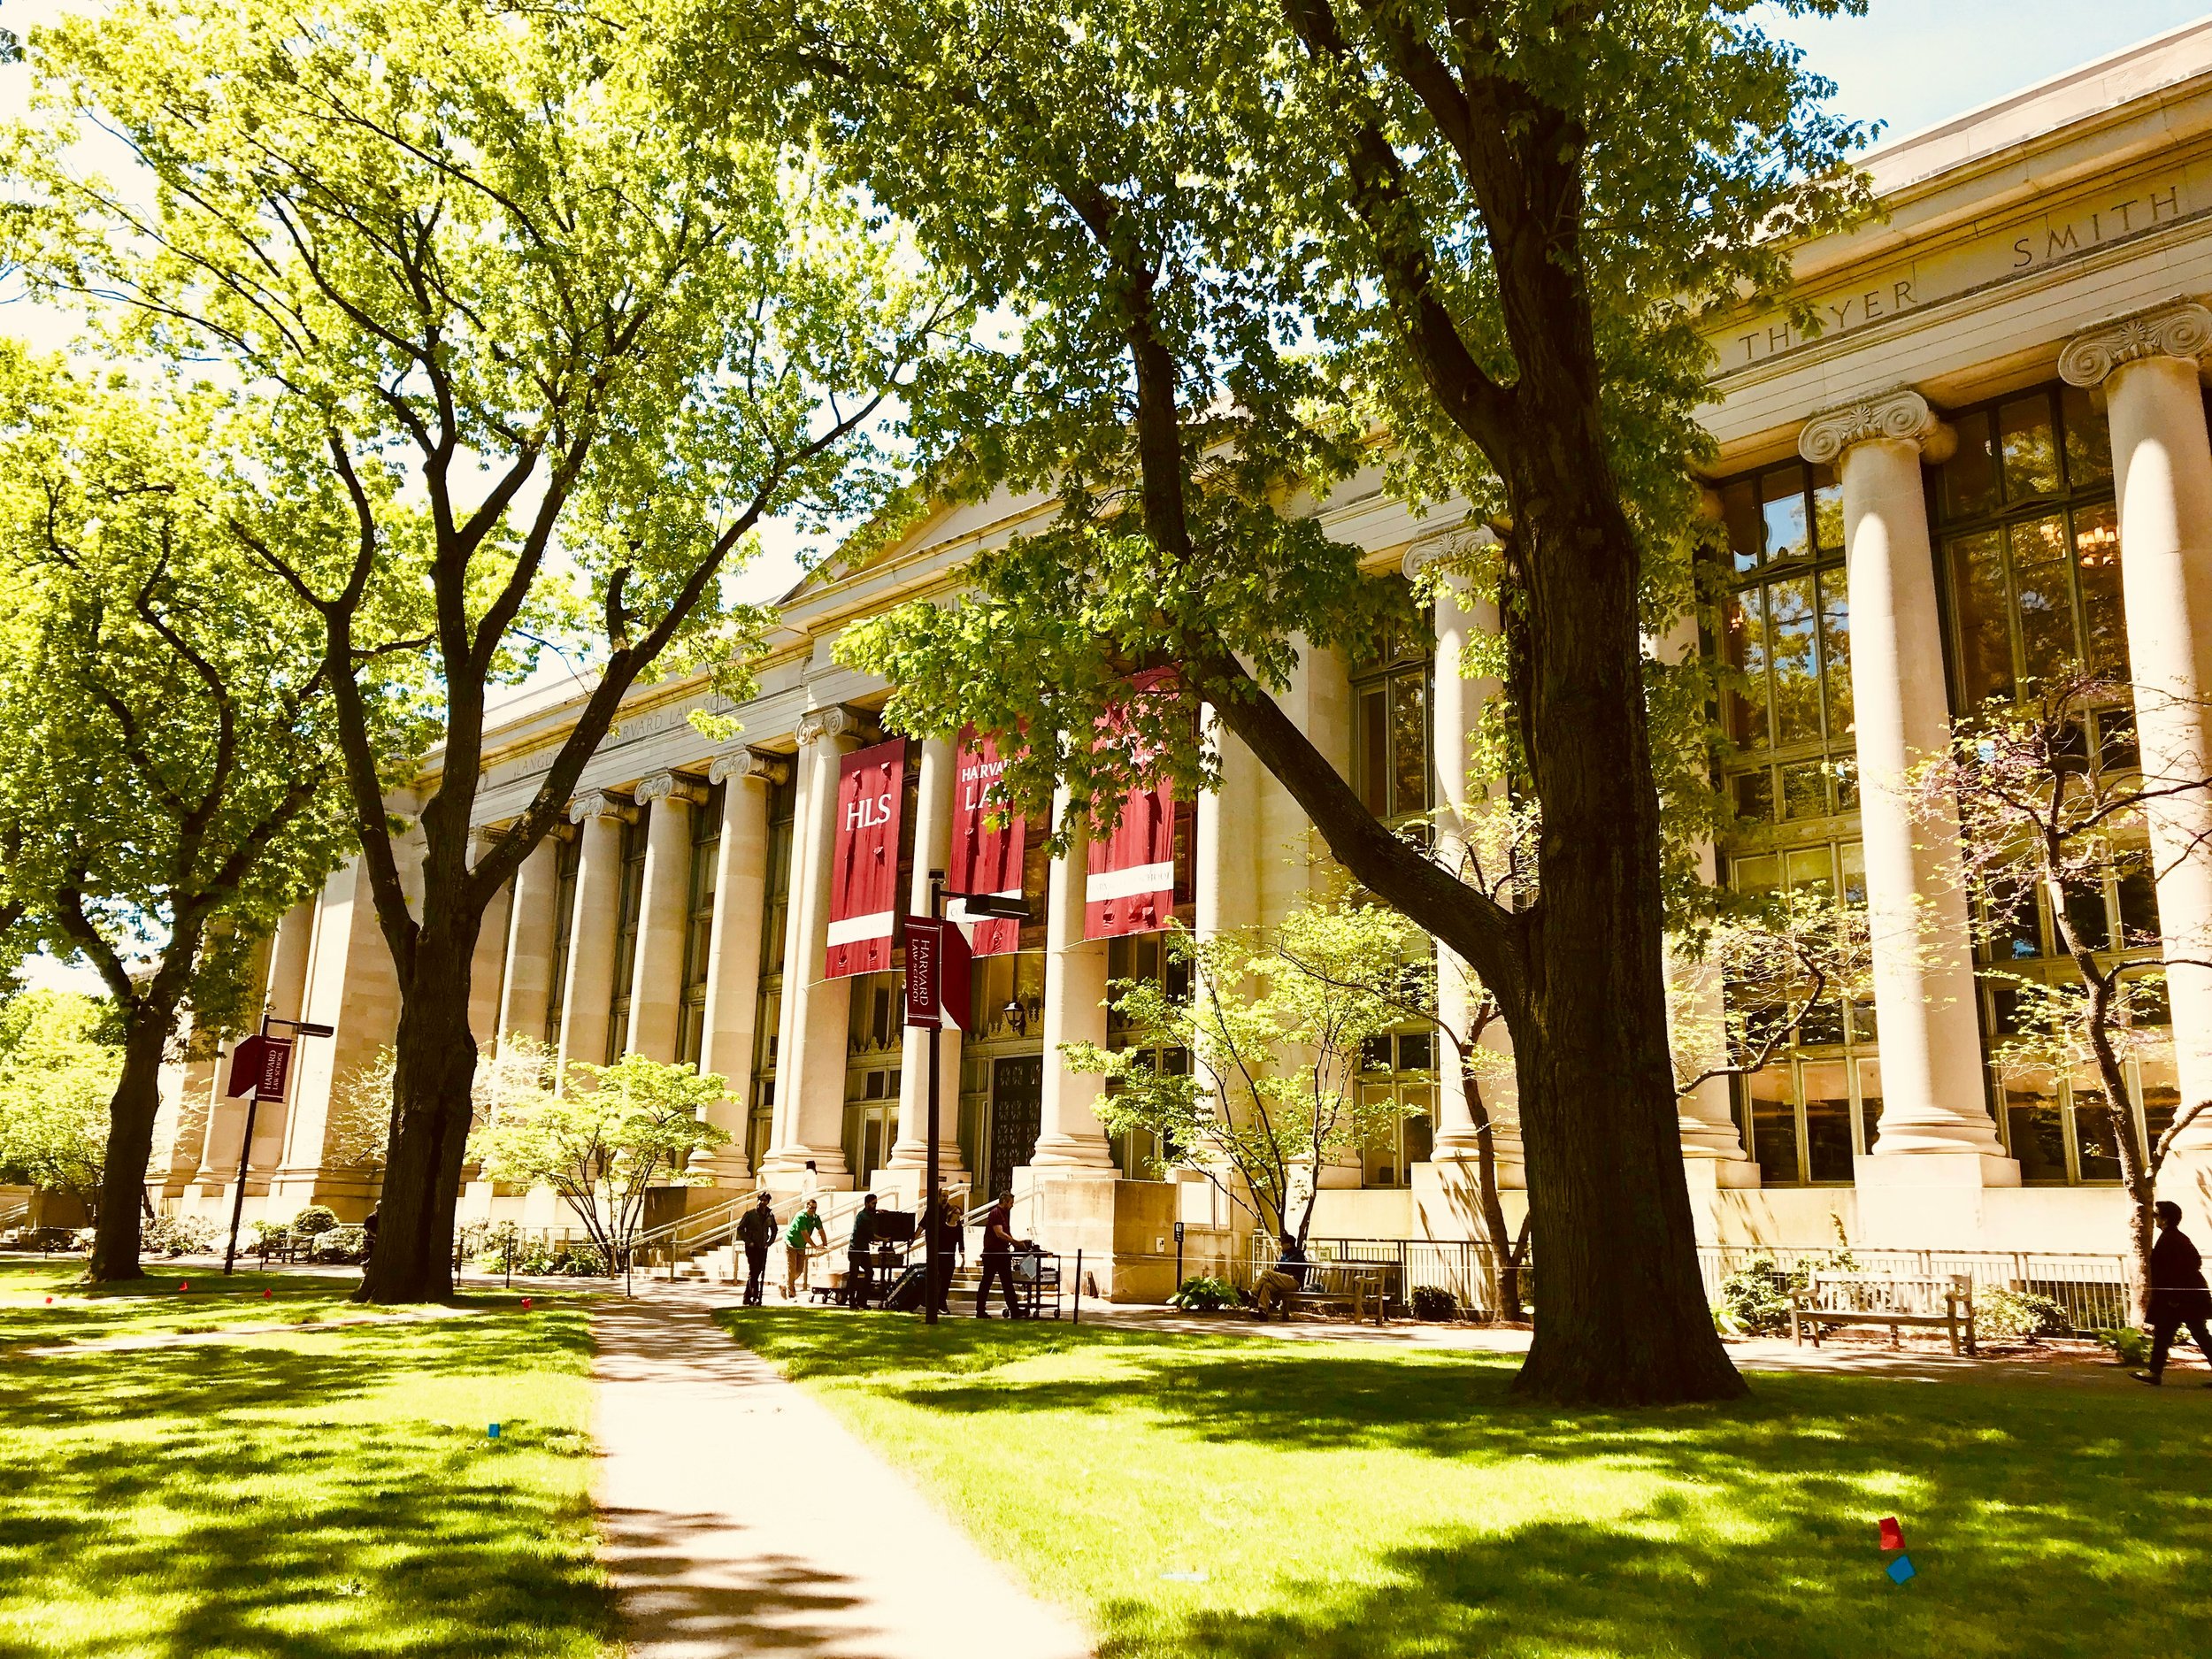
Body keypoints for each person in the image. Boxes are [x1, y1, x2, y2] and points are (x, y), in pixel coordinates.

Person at [2136, 1200, 2212, 1386]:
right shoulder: (2178, 1238)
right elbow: (2194, 1262)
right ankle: (2154, 1371)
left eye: (2156, 1215)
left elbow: (2178, 1270)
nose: (2154, 1219)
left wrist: (2175, 1298)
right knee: (2171, 1333)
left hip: (2180, 1299)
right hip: (2185, 1297)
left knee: (2182, 1333)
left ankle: (2154, 1372)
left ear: (2165, 1218)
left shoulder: (2171, 1240)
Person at [975, 1190, 1027, 1318]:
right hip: (993, 1254)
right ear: (1004, 1201)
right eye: (1011, 1203)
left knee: (1007, 1283)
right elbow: (999, 1233)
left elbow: (1005, 1233)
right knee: (987, 1282)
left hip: (1002, 1253)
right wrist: (1015, 1242)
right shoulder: (996, 1213)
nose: (1012, 1205)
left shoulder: (1004, 1214)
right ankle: (980, 1310)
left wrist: (1014, 1242)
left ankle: (1014, 1310)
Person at [924, 1187, 964, 1315]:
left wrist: (963, 1258)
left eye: (959, 1214)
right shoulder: (941, 1226)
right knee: (937, 1280)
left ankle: (942, 1302)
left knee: (946, 1281)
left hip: (950, 1257)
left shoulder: (959, 1227)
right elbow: (923, 1225)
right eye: (957, 1214)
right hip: (939, 1256)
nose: (958, 1216)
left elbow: (961, 1243)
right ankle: (934, 1302)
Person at [734, 1191, 777, 1307]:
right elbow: (740, 1229)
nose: (763, 1202)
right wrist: (749, 1241)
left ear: (768, 1202)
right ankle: (755, 1296)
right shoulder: (750, 1214)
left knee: (757, 1272)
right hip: (752, 1247)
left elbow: (774, 1230)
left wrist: (769, 1242)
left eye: (765, 1200)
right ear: (758, 1200)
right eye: (761, 1200)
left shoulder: (770, 1216)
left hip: (762, 1247)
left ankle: (747, 1298)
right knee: (754, 1271)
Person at [1253, 1237, 1310, 1321]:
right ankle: (1263, 1312)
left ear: (1289, 1244)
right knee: (1267, 1285)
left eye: (1283, 1243)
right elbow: (1278, 1269)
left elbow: (1288, 1267)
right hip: (1283, 1282)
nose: (1281, 1245)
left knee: (1266, 1273)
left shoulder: (1298, 1254)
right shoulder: (1285, 1255)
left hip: (1293, 1282)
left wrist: (1281, 1268)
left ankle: (1253, 1293)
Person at [783, 1198, 825, 1300]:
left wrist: (825, 1244)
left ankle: (784, 1285)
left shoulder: (816, 1218)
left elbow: (821, 1231)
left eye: (815, 1208)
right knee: (792, 1268)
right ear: (806, 1207)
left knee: (799, 1270)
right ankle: (791, 1292)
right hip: (791, 1243)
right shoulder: (800, 1216)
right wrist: (815, 1246)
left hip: (801, 1245)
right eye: (811, 1208)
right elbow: (805, 1235)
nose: (813, 1210)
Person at [845, 1192, 881, 1308]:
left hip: (864, 1249)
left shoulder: (869, 1215)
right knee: (854, 1275)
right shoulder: (863, 1217)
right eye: (873, 1203)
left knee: (869, 1272)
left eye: (876, 1203)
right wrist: (883, 1239)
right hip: (856, 1250)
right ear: (866, 1204)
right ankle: (852, 1302)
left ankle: (862, 1300)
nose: (875, 1206)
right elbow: (871, 1235)